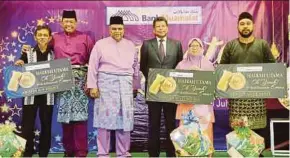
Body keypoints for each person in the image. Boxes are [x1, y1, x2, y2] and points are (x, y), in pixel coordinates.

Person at [22, 10, 94, 157]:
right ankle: (68, 151)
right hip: (60, 80)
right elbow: (40, 48)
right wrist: (25, 50)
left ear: (76, 22)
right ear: (61, 23)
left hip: (80, 81)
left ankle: (81, 151)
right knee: (64, 117)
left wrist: (91, 82)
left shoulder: (86, 38)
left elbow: (93, 61)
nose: (68, 24)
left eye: (71, 22)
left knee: (80, 118)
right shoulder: (54, 38)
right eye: (66, 21)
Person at [220, 12, 276, 153]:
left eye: (248, 23)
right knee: (239, 130)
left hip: (257, 97)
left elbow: (272, 68)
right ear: (238, 26)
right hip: (237, 98)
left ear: (253, 26)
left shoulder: (262, 45)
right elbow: (222, 70)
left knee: (258, 131)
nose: (245, 26)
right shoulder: (230, 46)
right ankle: (238, 155)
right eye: (242, 24)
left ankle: (257, 155)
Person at [87, 16, 139, 157]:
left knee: (125, 121)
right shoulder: (100, 44)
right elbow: (92, 66)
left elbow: (135, 67)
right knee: (104, 121)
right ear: (110, 29)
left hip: (125, 85)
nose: (117, 31)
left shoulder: (130, 45)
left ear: (124, 29)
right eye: (114, 28)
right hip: (106, 85)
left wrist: (135, 86)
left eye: (120, 28)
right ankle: (102, 153)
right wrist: (92, 86)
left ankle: (123, 153)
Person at [140, 16, 183, 157]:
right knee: (154, 124)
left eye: (163, 26)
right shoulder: (146, 44)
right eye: (158, 26)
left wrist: (168, 84)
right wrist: (155, 82)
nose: (161, 28)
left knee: (171, 123)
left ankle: (171, 153)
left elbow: (179, 66)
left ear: (167, 27)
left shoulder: (176, 44)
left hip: (171, 92)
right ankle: (153, 154)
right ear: (154, 29)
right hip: (153, 92)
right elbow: (143, 66)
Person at [15, 25, 54, 157]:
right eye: (40, 35)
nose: (42, 37)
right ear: (35, 37)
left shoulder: (54, 53)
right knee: (27, 125)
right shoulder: (28, 52)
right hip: (30, 94)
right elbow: (21, 62)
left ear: (49, 38)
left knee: (46, 124)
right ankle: (28, 152)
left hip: (47, 94)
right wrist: (20, 62)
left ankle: (43, 153)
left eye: (45, 35)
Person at [175, 38, 215, 146]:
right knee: (187, 135)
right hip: (186, 107)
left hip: (204, 107)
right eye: (192, 46)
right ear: (188, 48)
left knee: (204, 135)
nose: (194, 48)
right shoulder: (181, 65)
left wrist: (200, 73)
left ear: (202, 48)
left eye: (197, 45)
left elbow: (213, 85)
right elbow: (175, 84)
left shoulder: (208, 65)